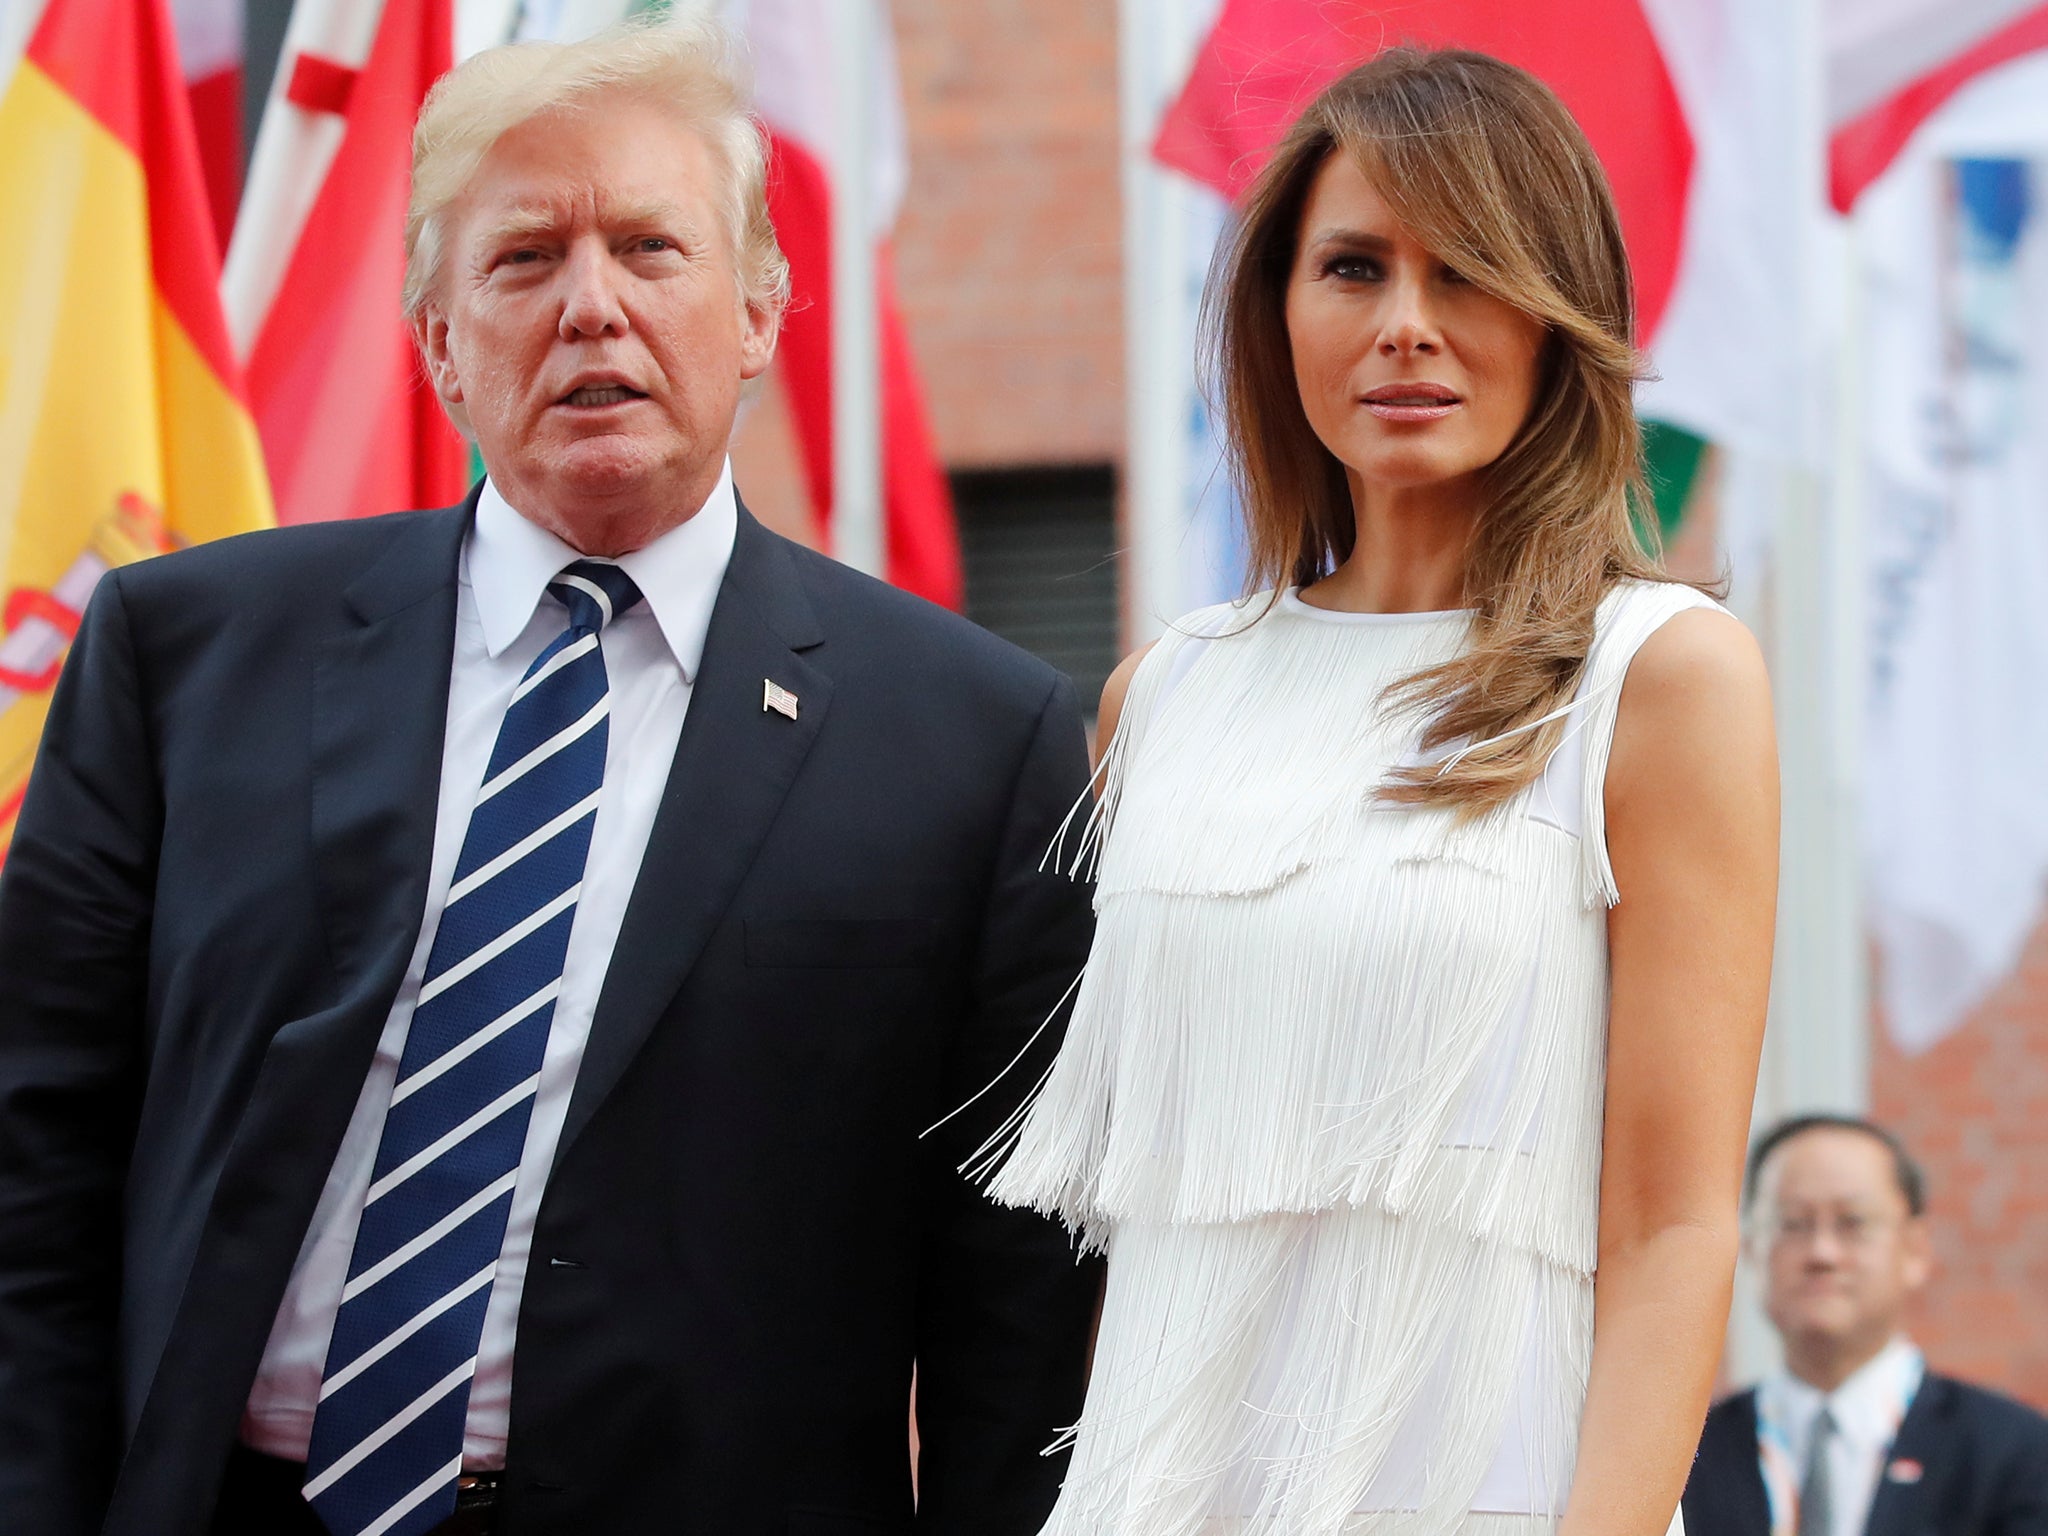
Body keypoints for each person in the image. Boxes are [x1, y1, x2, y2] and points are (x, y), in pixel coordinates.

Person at [0, 20, 1099, 1536]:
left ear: (763, 309)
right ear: (439, 340)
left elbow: (1020, 1307)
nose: (595, 308)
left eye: (653, 248)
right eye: (524, 260)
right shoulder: (181, 659)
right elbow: (31, 1164)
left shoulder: (980, 744)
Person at [984, 47, 1779, 1536]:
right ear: (1278, 312)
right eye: (1354, 267)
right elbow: (1150, 1210)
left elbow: (1675, 1227)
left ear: (1557, 324)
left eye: (1466, 272)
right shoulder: (1164, 696)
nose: (1407, 326)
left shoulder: (1660, 675)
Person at [1684, 1116, 2048, 1536]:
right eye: (1792, 1223)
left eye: (1852, 1222)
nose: (1822, 1252)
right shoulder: (1690, 1458)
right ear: (1749, 1248)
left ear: (1915, 1248)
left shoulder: (2012, 1453)